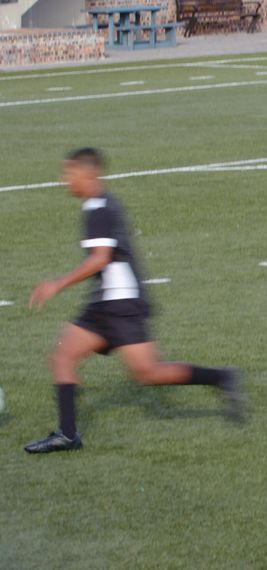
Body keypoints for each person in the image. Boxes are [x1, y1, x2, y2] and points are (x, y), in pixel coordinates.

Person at [24, 148, 244, 454]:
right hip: (107, 303)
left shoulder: (99, 208)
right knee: (64, 356)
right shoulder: (101, 204)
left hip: (119, 304)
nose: (64, 181)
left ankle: (220, 377)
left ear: (88, 174)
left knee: (147, 373)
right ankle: (67, 433)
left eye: (69, 174)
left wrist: (56, 284)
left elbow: (99, 259)